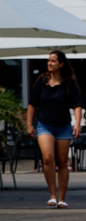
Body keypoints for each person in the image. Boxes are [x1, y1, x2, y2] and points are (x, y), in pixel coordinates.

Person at [26, 50, 83, 208]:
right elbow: (32, 104)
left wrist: (77, 124)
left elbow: (77, 105)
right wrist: (29, 125)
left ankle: (62, 197)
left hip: (63, 126)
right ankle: (52, 195)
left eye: (53, 61)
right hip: (45, 124)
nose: (49, 63)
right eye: (48, 60)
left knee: (63, 161)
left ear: (61, 64)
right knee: (48, 158)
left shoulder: (68, 83)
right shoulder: (41, 82)